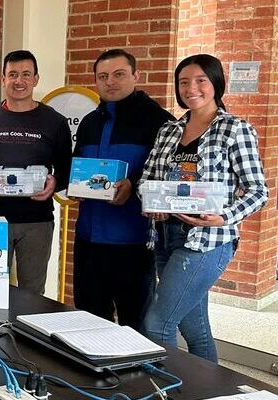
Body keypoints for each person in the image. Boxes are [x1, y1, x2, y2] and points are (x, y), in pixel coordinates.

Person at [141, 54, 267, 362]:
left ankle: (167, 391)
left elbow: (258, 191)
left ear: (216, 84)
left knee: (157, 325)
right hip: (166, 236)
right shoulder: (168, 131)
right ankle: (212, 391)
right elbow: (148, 178)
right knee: (195, 329)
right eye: (184, 82)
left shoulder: (235, 129)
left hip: (207, 241)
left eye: (200, 81)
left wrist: (223, 216)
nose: (191, 88)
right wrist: (151, 203)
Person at [72, 49, 174, 332]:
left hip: (134, 242)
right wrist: (75, 185)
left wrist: (135, 182)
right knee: (88, 322)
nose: (110, 82)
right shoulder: (90, 123)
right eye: (102, 76)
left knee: (135, 326)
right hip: (88, 240)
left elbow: (168, 176)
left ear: (135, 76)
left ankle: (137, 378)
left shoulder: (160, 121)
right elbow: (78, 167)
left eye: (119, 74)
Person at [0, 50, 72, 295]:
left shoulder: (55, 122)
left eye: (26, 74)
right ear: (3, 79)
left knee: (33, 293)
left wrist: (55, 182)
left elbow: (67, 167)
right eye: (13, 75)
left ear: (36, 79)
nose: (19, 81)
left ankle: (26, 334)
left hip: (37, 221)